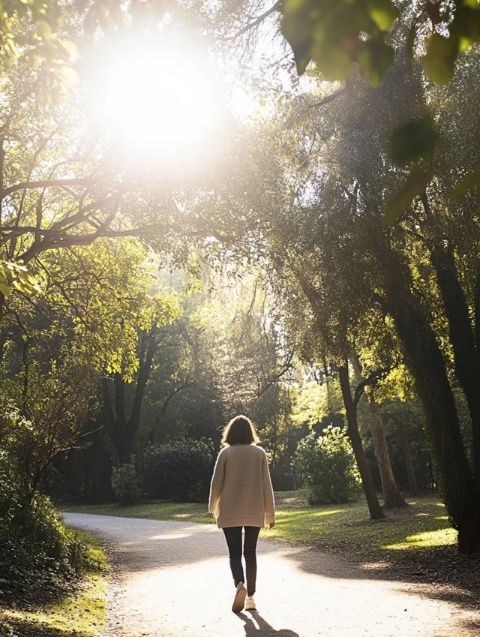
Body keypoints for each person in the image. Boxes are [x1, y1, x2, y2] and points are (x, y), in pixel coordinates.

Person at [208, 414, 275, 614]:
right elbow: (266, 485)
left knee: (235, 553)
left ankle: (239, 585)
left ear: (230, 433)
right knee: (250, 552)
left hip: (229, 510)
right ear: (250, 432)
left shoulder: (225, 454)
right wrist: (270, 514)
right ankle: (251, 597)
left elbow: (216, 483)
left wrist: (212, 507)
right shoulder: (259, 453)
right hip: (254, 509)